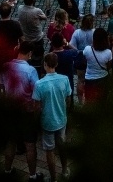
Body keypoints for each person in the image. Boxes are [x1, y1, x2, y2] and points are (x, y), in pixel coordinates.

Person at [0, 41, 41, 181]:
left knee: (10, 142)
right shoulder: (31, 71)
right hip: (26, 112)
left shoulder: (6, 66)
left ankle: (7, 170)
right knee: (30, 145)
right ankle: (33, 175)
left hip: (10, 110)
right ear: (29, 53)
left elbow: (1, 88)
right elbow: (36, 93)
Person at [33, 52, 71, 182]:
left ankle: (53, 178)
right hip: (61, 118)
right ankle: (65, 170)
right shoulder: (65, 79)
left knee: (50, 150)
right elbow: (68, 99)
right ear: (56, 64)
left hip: (47, 121)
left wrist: (35, 120)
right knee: (62, 145)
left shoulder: (39, 84)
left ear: (44, 64)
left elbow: (37, 106)